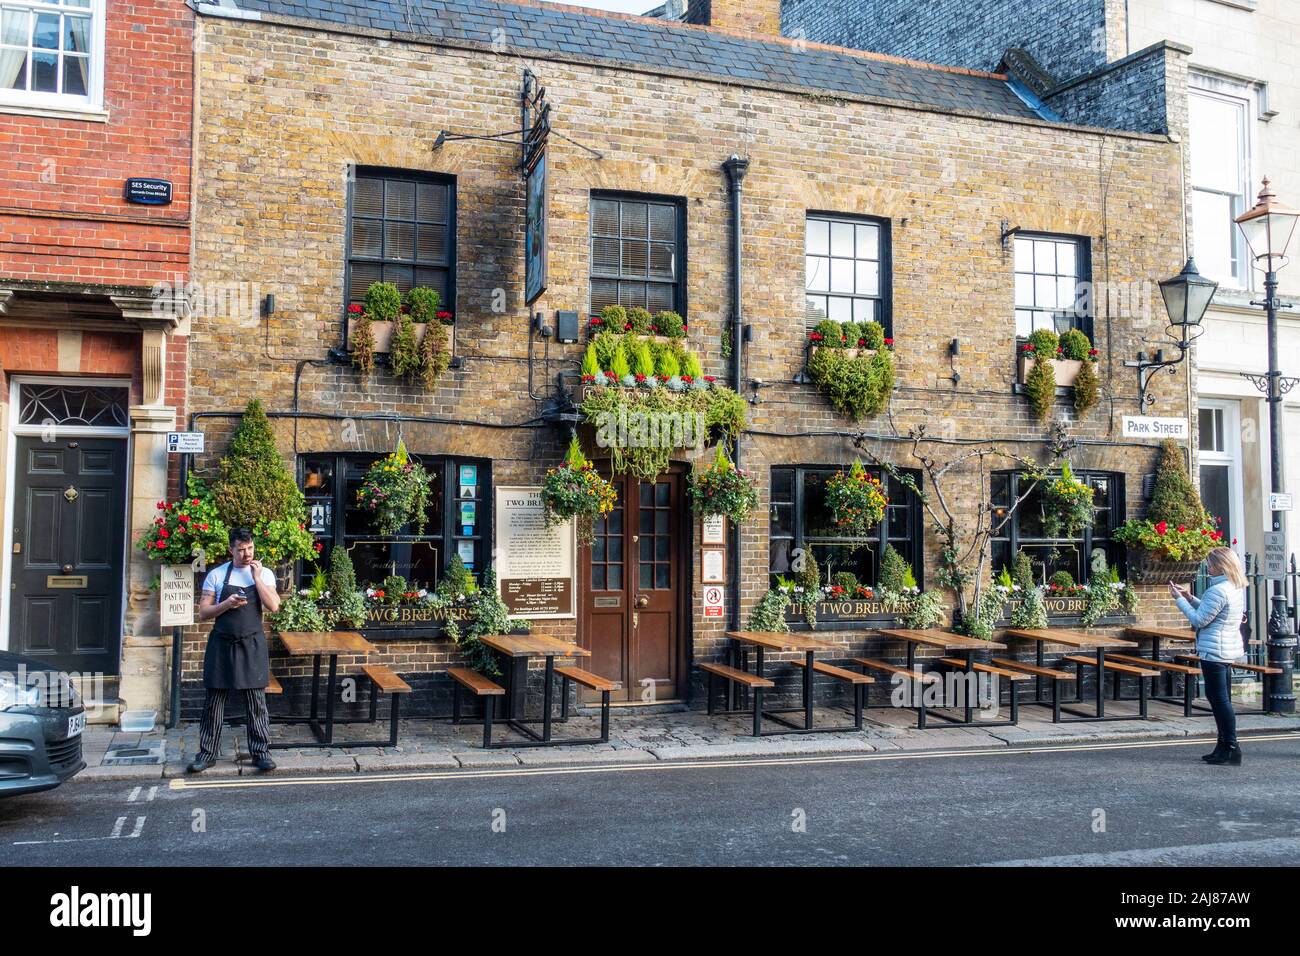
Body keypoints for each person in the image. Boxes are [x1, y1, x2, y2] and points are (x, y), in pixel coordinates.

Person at [187, 527, 281, 773]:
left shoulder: (265, 574)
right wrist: (226, 604)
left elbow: (273, 606)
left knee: (256, 702)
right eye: (241, 550)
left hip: (251, 643)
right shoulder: (217, 575)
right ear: (231, 550)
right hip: (221, 644)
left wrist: (257, 578)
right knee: (214, 702)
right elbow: (203, 612)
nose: (247, 554)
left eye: (250, 548)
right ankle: (206, 754)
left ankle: (261, 753)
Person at [1169, 547, 1248, 766]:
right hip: (1224, 649)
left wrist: (1178, 599)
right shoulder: (1232, 587)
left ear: (1221, 566)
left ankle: (1231, 747)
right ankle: (1223, 746)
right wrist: (1190, 597)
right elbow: (1210, 612)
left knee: (1219, 700)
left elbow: (1199, 620)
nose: (1208, 567)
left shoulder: (1218, 590)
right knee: (1221, 700)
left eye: (1211, 564)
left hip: (1214, 651)